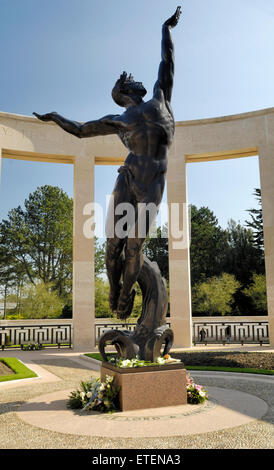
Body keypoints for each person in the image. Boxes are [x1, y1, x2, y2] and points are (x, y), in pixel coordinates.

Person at [33, 7, 182, 320]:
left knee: (134, 246)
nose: (138, 81)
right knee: (113, 243)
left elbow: (167, 59)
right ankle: (114, 291)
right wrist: (54, 117)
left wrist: (165, 27)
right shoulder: (117, 120)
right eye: (130, 82)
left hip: (152, 180)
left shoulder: (160, 99)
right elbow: (80, 130)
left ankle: (126, 294)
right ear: (124, 93)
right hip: (127, 177)